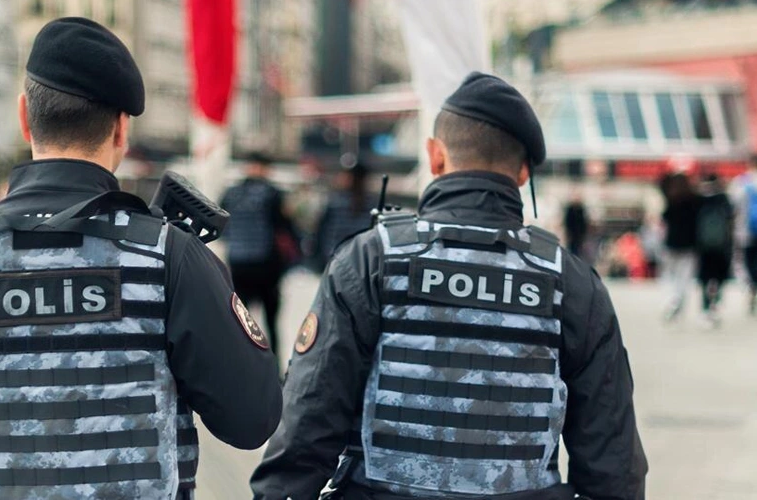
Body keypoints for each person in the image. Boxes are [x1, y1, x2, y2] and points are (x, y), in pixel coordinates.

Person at [0, 18, 282, 500]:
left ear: (24, 117)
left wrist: (0, 452)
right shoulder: (170, 257)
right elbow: (253, 418)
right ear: (121, 129)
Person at [251, 72, 647, 500]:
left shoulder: (370, 261)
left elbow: (308, 425)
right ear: (522, 173)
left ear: (435, 156)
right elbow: (613, 467)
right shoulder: (572, 282)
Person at [220, 153, 298, 354]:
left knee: (240, 320)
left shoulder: (231, 193)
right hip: (266, 265)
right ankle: (273, 363)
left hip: (238, 263)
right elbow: (284, 228)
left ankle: (240, 359)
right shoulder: (272, 193)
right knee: (271, 321)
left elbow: (222, 227)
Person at [315, 162, 374, 271]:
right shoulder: (335, 202)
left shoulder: (371, 205)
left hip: (355, 262)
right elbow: (322, 232)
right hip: (337, 260)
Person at [660, 172, 701, 321]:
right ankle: (679, 300)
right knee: (685, 276)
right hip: (690, 245)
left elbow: (665, 218)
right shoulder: (695, 200)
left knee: (672, 274)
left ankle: (674, 299)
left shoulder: (672, 200)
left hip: (672, 244)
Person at [695, 173, 734, 327]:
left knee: (705, 275)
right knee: (719, 274)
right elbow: (731, 218)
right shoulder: (723, 198)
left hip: (703, 245)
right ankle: (716, 299)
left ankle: (706, 303)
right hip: (721, 244)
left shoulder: (699, 199)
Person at [730, 157, 757, 314]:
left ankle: (752, 287)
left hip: (745, 231)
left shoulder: (741, 182)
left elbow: (733, 207)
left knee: (749, 261)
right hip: (746, 230)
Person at [562, 194, 589, 259]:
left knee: (577, 248)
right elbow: (568, 222)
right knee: (572, 248)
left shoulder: (580, 210)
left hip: (578, 234)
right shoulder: (571, 209)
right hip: (572, 233)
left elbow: (583, 222)